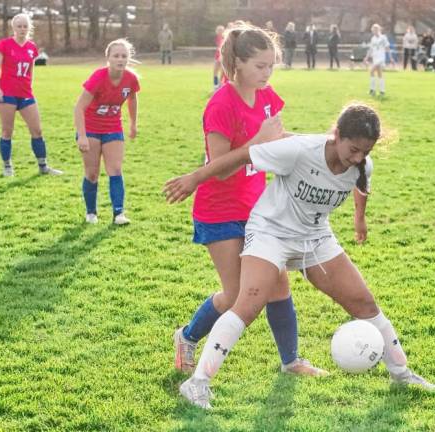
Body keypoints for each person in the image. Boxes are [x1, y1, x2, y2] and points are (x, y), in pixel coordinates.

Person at [164, 104, 435, 410]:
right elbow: (244, 155)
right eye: (353, 149)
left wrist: (359, 218)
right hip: (271, 231)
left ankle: (402, 374)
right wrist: (194, 178)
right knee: (249, 300)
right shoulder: (299, 151)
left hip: (314, 237)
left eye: (366, 151)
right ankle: (197, 383)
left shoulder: (363, 165)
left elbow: (361, 185)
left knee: (363, 303)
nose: (358, 158)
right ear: (337, 135)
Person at [171, 21, 325, 378]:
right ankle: (188, 335)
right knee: (239, 293)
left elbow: (277, 137)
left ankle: (291, 362)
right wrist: (258, 141)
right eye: (260, 66)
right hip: (219, 211)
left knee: (278, 283)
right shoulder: (221, 104)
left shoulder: (267, 97)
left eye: (272, 65)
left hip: (259, 208)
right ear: (238, 63)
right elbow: (222, 167)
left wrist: (320, 142)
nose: (267, 73)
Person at [73, 39, 139, 225]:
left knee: (115, 169)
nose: (120, 59)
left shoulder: (131, 79)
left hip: (113, 127)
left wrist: (133, 123)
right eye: (116, 56)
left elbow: (133, 99)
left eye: (124, 56)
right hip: (91, 128)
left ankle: (119, 213)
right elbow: (79, 108)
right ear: (108, 58)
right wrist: (82, 135)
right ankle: (91, 212)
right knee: (92, 173)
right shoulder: (98, 77)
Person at [0, 13, 62, 177]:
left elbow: (31, 69)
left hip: (25, 94)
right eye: (19, 26)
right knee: (7, 131)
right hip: (7, 93)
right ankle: (7, 166)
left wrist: (29, 86)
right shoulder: (4, 44)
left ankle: (43, 166)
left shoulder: (32, 47)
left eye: (25, 26)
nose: (22, 29)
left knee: (37, 130)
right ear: (13, 28)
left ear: (29, 28)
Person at [364, 24, 389, 96]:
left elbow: (387, 47)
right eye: (373, 30)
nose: (374, 31)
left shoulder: (383, 38)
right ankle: (382, 91)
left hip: (381, 58)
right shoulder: (373, 39)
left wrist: (390, 57)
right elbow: (371, 49)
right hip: (375, 58)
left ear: (379, 30)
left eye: (376, 30)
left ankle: (372, 90)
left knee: (371, 71)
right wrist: (366, 57)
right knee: (379, 74)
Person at [213, 25, 225, 90]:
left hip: (222, 56)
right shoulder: (217, 37)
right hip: (217, 56)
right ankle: (215, 85)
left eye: (220, 30)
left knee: (222, 72)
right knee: (215, 71)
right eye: (218, 30)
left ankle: (220, 85)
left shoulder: (225, 37)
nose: (219, 32)